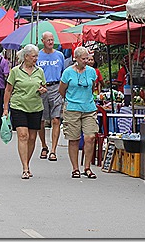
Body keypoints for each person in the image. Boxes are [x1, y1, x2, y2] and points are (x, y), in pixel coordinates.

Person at [3, 44, 47, 179]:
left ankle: (27, 162)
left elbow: (43, 86)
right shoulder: (15, 71)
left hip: (35, 107)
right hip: (19, 106)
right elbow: (8, 90)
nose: (36, 59)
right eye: (33, 56)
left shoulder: (39, 71)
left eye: (36, 56)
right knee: (23, 135)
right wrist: (5, 108)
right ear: (26, 56)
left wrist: (43, 90)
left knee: (32, 138)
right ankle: (25, 168)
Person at [59, 46, 98, 180]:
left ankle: (87, 167)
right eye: (83, 59)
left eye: (88, 58)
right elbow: (61, 90)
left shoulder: (92, 72)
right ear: (76, 58)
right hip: (72, 109)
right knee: (74, 139)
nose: (86, 61)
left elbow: (93, 87)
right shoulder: (68, 72)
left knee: (90, 137)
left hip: (89, 108)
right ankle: (75, 168)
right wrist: (70, 100)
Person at [37, 31, 64, 162]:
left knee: (56, 119)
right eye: (48, 40)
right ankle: (44, 145)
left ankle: (53, 150)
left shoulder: (59, 55)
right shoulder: (38, 56)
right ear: (43, 41)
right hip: (41, 89)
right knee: (41, 120)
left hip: (56, 87)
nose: (50, 42)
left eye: (52, 40)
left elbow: (64, 73)